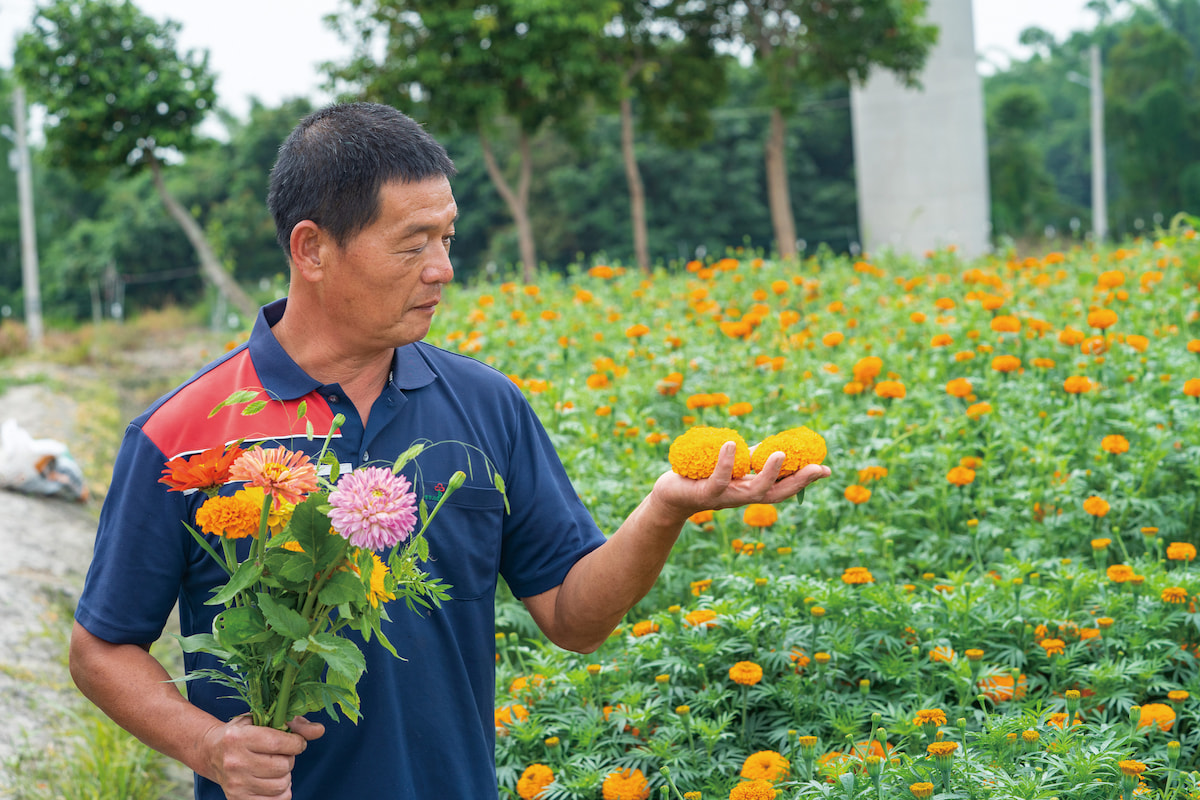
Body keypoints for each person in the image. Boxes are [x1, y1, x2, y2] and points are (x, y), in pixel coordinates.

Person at [69, 102, 831, 799]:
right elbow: (101, 648)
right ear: (312, 249)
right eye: (413, 244)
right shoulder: (186, 430)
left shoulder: (483, 406)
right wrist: (211, 747)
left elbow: (573, 617)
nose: (443, 268)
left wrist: (666, 508)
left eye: (446, 238)